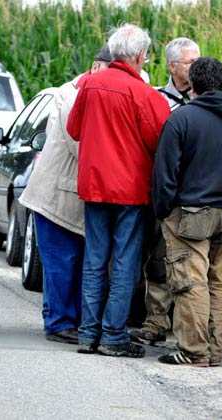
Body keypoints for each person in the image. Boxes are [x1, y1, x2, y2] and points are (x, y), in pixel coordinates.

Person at [67, 23, 171, 358]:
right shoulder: (145, 94)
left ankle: (88, 333)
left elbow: (74, 128)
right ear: (139, 56)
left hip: (95, 184)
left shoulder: (90, 84)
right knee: (125, 262)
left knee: (95, 259)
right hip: (130, 189)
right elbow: (159, 141)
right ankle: (113, 335)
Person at [151, 57, 222, 366]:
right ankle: (215, 349)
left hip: (190, 213)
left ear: (192, 85)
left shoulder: (181, 119)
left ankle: (194, 351)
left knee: (190, 280)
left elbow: (164, 173)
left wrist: (163, 210)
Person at [18, 45, 112, 345]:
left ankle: (68, 320)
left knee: (73, 261)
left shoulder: (88, 92)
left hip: (70, 196)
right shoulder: (72, 96)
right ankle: (59, 323)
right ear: (97, 67)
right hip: (55, 196)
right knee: (61, 261)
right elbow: (81, 145)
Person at [130, 37, 200, 347]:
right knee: (157, 258)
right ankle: (155, 320)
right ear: (172, 67)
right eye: (189, 62)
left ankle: (188, 326)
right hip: (162, 192)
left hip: (195, 194)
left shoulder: (206, 99)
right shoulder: (156, 99)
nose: (195, 66)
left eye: (198, 60)